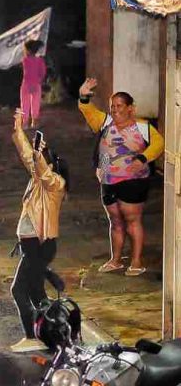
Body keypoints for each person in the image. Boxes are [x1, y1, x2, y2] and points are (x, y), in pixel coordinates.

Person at [78, 78, 164, 276]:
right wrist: (83, 95)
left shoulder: (143, 128)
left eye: (119, 106)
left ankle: (136, 262)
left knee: (133, 220)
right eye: (112, 106)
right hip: (109, 181)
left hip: (133, 181)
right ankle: (115, 260)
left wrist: (143, 158)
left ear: (130, 108)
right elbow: (88, 112)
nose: (115, 110)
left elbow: (159, 144)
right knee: (115, 222)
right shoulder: (105, 122)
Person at [9, 109, 68, 352]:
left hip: (40, 246)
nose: (36, 161)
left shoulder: (55, 184)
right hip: (32, 246)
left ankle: (31, 336)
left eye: (42, 158)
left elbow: (41, 169)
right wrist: (18, 130)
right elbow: (27, 157)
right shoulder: (37, 180)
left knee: (18, 289)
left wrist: (38, 153)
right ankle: (52, 330)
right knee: (35, 291)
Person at [20, 40, 47, 129]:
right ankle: (34, 122)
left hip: (26, 84)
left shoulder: (25, 60)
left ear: (28, 50)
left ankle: (25, 123)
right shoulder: (40, 60)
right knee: (35, 103)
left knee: (25, 104)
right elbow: (43, 72)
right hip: (36, 84)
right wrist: (39, 80)